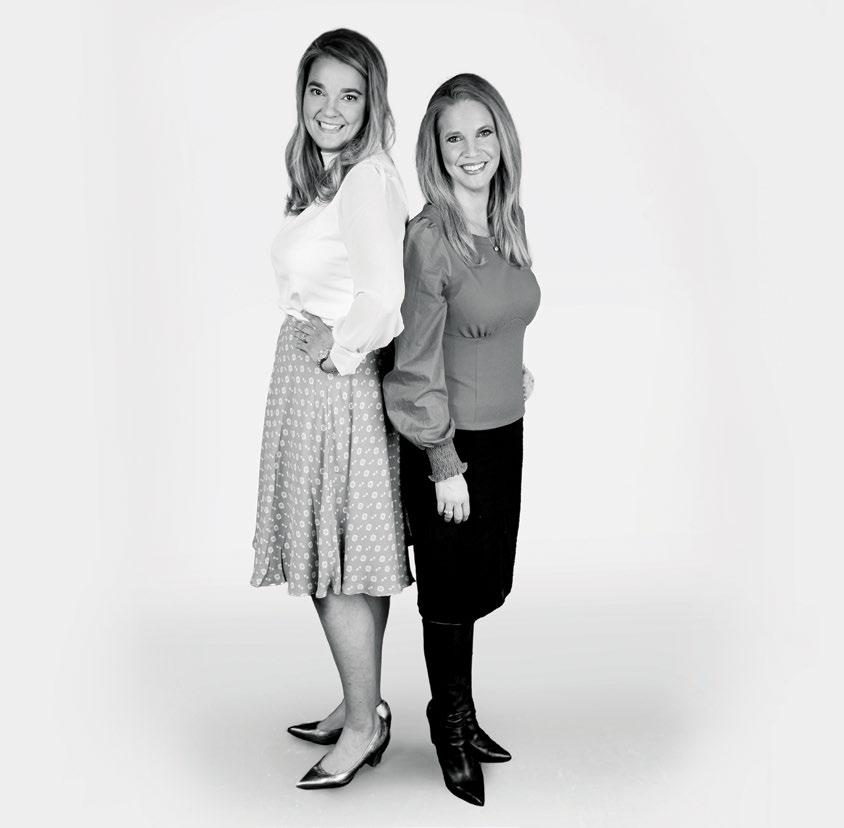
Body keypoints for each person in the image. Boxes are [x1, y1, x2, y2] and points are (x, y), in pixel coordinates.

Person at [250, 28, 412, 790]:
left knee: (335, 565)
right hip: (313, 379)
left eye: (350, 95)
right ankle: (362, 703)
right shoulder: (330, 176)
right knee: (345, 556)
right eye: (318, 91)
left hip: (334, 387)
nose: (331, 108)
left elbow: (384, 298)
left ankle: (361, 727)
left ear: (371, 102)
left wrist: (339, 353)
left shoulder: (367, 181)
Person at [383, 73, 540, 807]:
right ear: (436, 151)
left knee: (479, 584)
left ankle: (463, 714)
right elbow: (412, 365)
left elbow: (493, 314)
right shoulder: (429, 239)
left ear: (502, 139)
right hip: (451, 448)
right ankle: (448, 726)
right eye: (454, 138)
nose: (471, 149)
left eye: (483, 132)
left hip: (505, 435)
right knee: (448, 592)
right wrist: (443, 461)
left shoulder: (506, 224)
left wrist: (511, 367)